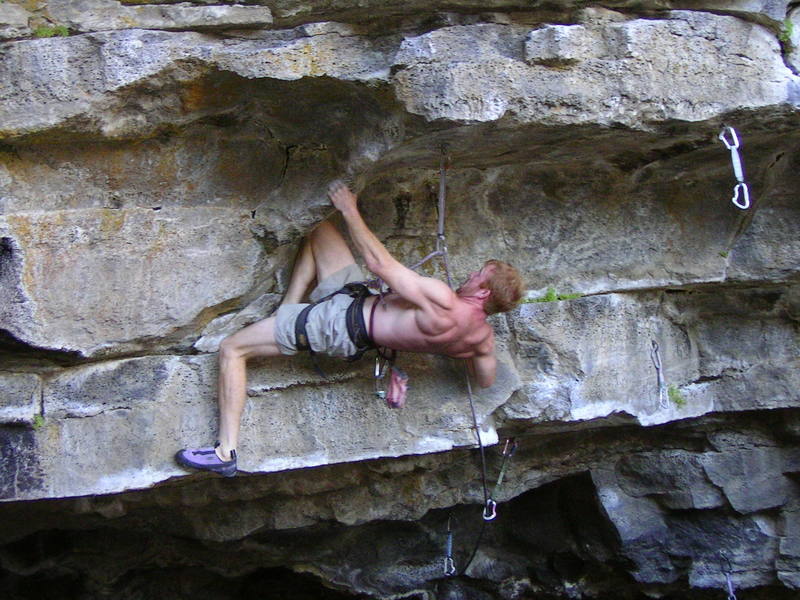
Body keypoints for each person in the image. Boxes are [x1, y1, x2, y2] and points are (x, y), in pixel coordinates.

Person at [176, 181, 524, 477]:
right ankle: (288, 310)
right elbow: (485, 380)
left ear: (484, 291)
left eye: (478, 274)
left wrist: (349, 208)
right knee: (319, 228)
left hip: (337, 325)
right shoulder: (481, 340)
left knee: (232, 349)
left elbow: (378, 262)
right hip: (354, 303)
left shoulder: (444, 300)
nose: (469, 275)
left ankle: (225, 453)